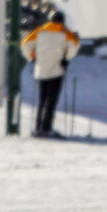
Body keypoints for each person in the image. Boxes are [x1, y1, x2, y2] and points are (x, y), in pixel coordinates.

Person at [21, 9, 81, 138]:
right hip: (56, 71)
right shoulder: (65, 33)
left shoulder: (39, 31)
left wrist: (33, 58)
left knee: (42, 100)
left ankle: (38, 128)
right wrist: (66, 59)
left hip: (41, 70)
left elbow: (25, 45)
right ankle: (46, 128)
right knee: (51, 101)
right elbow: (74, 46)